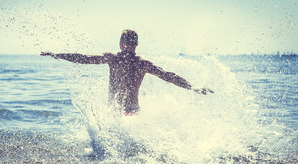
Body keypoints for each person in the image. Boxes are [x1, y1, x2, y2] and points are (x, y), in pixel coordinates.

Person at [41, 29, 213, 115]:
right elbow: (167, 76)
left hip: (114, 112)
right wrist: (193, 87)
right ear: (136, 44)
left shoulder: (112, 58)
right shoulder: (143, 63)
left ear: (121, 43)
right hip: (134, 112)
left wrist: (58, 55)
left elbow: (84, 58)